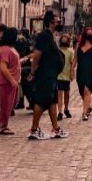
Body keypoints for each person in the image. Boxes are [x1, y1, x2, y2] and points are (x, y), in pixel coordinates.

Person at [26, 11, 67, 139]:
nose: (60, 24)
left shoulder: (50, 35)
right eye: (58, 22)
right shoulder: (44, 36)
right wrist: (32, 72)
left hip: (51, 74)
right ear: (51, 23)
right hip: (45, 74)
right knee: (42, 101)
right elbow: (37, 55)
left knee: (52, 101)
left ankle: (55, 128)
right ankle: (34, 129)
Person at [72, 27, 92, 122]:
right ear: (84, 35)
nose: (89, 36)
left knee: (87, 90)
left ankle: (84, 113)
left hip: (91, 70)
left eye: (91, 34)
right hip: (81, 70)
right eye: (87, 34)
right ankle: (88, 107)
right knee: (82, 91)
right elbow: (75, 59)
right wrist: (71, 70)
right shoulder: (78, 45)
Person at [0, 27, 21, 134]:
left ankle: (0, 120)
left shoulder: (8, 48)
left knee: (11, 102)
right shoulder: (6, 49)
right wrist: (12, 80)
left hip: (10, 81)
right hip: (7, 81)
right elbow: (3, 67)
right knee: (6, 104)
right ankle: (3, 126)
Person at [57, 33, 74, 120]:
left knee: (67, 93)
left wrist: (72, 73)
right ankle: (60, 112)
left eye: (65, 39)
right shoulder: (58, 50)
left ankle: (66, 109)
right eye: (63, 39)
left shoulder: (70, 51)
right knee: (59, 93)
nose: (64, 41)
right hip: (59, 75)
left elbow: (72, 64)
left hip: (66, 75)